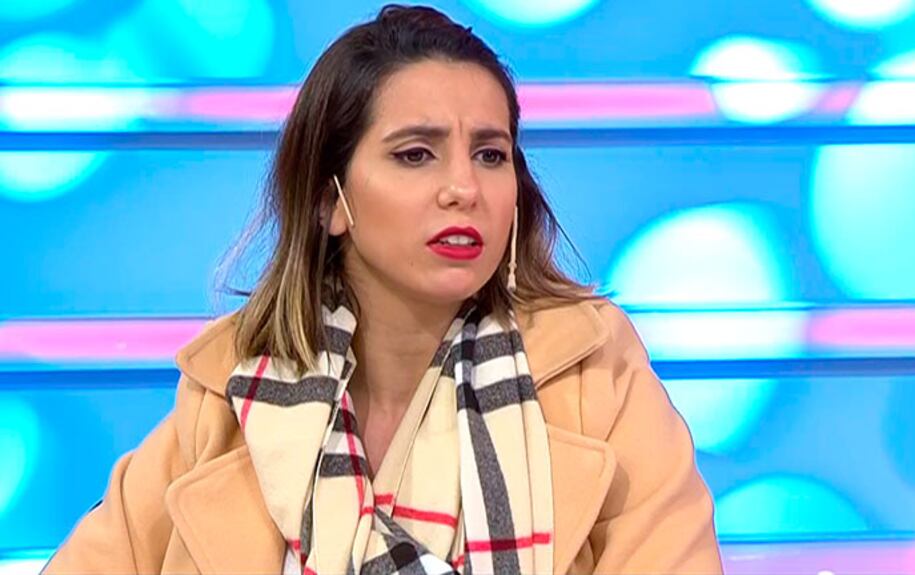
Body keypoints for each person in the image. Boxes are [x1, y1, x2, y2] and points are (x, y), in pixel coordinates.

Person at [45, 5, 721, 574]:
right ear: (329, 199)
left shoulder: (594, 375)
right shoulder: (232, 393)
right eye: (415, 154)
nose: (463, 188)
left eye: (490, 154)